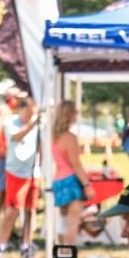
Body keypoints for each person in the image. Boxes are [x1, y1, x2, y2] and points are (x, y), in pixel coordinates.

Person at [0, 91, 41, 258]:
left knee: (31, 210)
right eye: (32, 108)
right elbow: (16, 136)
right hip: (16, 173)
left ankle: (26, 244)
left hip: (34, 173)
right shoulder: (11, 122)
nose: (34, 112)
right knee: (12, 210)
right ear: (24, 108)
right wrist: (34, 123)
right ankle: (1, 245)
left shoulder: (37, 124)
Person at [46, 99, 90, 247]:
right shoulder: (69, 137)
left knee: (63, 221)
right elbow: (75, 163)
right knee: (73, 221)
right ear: (69, 114)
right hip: (71, 180)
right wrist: (87, 184)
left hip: (58, 179)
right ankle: (67, 253)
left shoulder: (53, 136)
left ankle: (60, 250)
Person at [0, 86, 24, 239]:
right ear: (12, 99)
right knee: (1, 195)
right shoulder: (5, 111)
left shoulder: (4, 110)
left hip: (1, 159)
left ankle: (6, 229)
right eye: (19, 99)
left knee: (5, 195)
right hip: (1, 159)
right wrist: (1, 148)